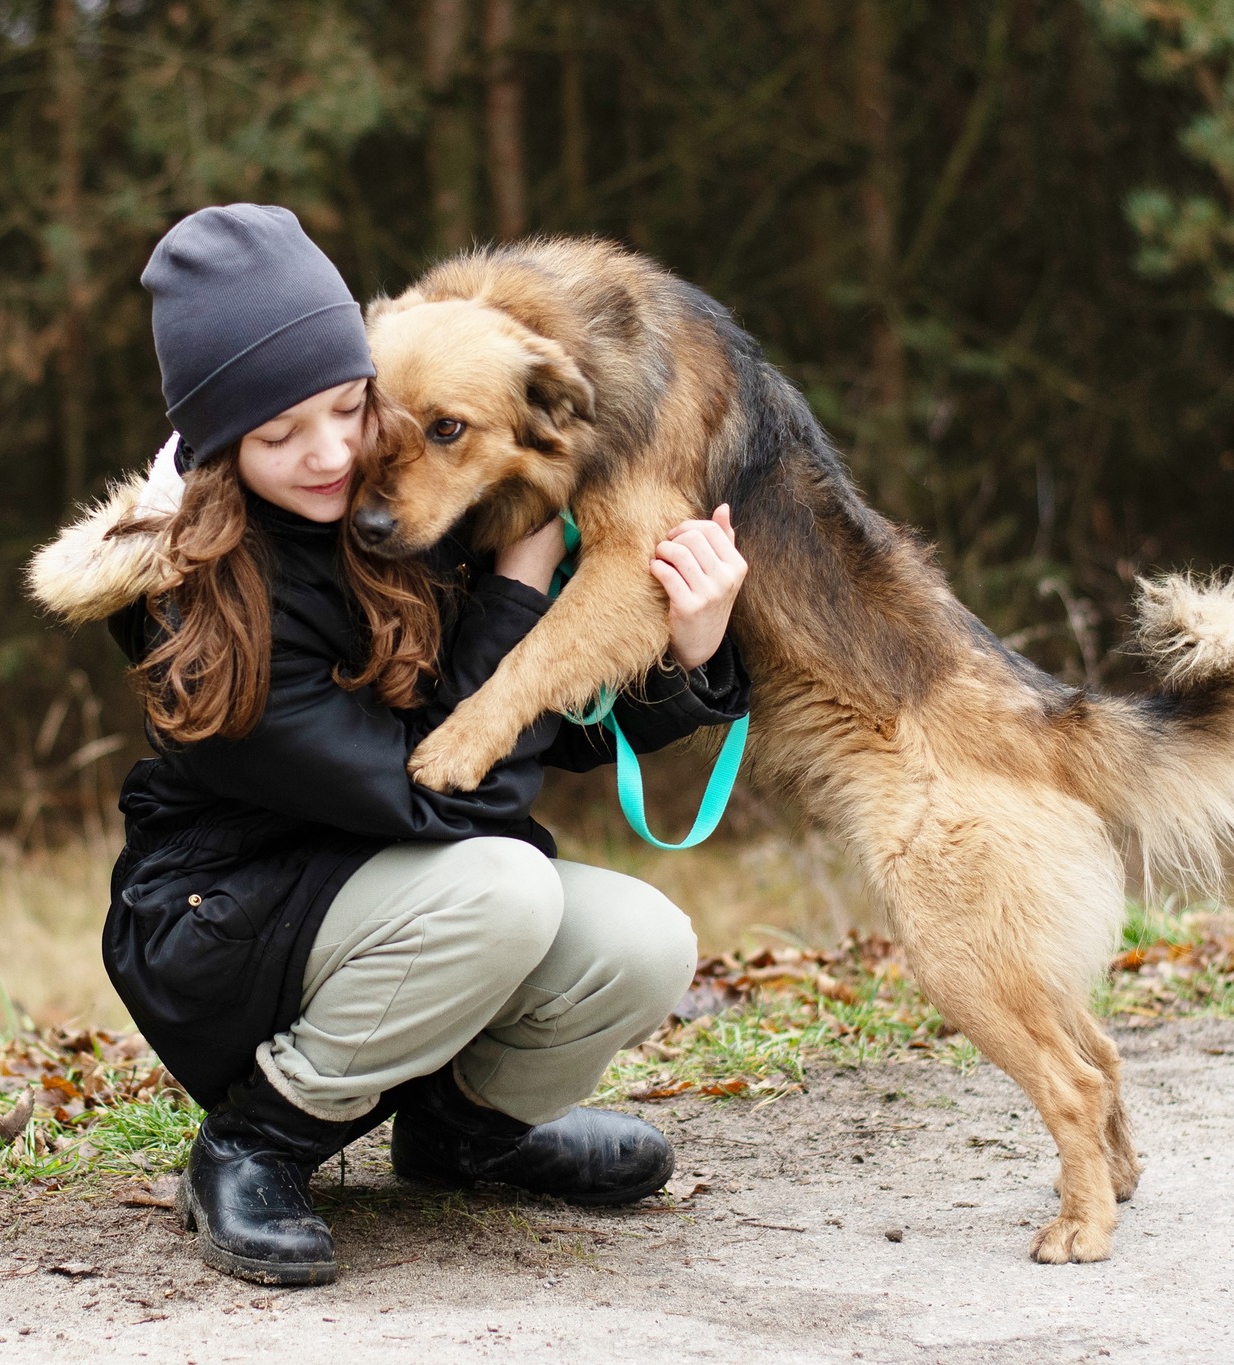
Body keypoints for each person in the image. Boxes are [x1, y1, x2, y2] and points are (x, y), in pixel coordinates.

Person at [41, 204, 749, 1287]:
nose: (330, 454)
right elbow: (439, 795)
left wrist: (690, 657)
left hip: (404, 899)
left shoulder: (391, 516)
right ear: (221, 442)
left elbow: (541, 737)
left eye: (345, 409)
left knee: (643, 940)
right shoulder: (198, 601)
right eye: (279, 437)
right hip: (228, 933)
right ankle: (255, 1144)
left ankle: (463, 1136)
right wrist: (518, 589)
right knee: (506, 885)